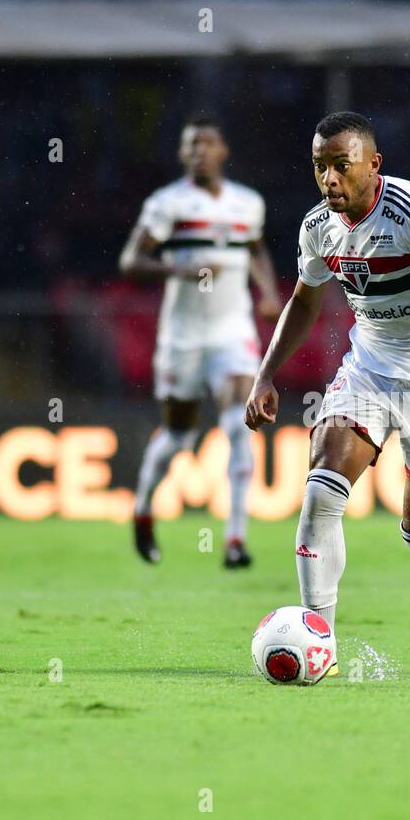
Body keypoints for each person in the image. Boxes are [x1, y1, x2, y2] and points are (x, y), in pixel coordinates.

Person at [245, 111, 410, 635]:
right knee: (320, 493)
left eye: (342, 165)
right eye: (320, 167)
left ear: (373, 164)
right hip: (369, 372)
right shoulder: (318, 228)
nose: (329, 179)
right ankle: (319, 639)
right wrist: (265, 375)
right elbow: (302, 301)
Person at [119, 116, 282, 568]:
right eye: (191, 145)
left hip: (233, 332)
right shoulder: (168, 204)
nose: (198, 152)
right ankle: (143, 508)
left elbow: (255, 249)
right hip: (183, 338)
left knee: (238, 425)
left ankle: (235, 539)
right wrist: (177, 269)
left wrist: (268, 292)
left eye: (206, 144)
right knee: (178, 436)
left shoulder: (247, 204)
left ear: (223, 151)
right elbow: (131, 260)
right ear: (181, 154)